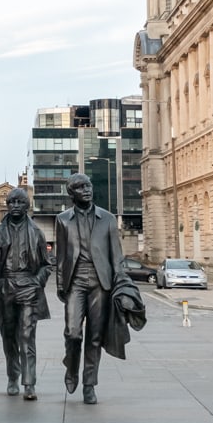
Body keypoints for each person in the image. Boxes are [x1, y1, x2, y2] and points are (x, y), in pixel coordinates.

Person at [55, 173, 143, 404]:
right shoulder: (63, 219)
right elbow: (61, 256)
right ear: (71, 193)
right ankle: (72, 367)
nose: (87, 190)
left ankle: (89, 384)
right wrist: (60, 286)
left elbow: (117, 256)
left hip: (100, 283)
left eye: (89, 185)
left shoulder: (108, 219)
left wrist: (122, 284)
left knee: (94, 337)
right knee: (73, 334)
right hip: (75, 282)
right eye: (80, 187)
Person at [0, 188, 51, 401]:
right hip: (5, 287)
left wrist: (36, 282)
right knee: (9, 336)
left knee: (26, 336)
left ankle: (29, 382)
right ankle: (13, 376)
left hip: (28, 288)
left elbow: (46, 265)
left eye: (19, 202)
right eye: (11, 201)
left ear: (26, 205)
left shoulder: (36, 233)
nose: (14, 205)